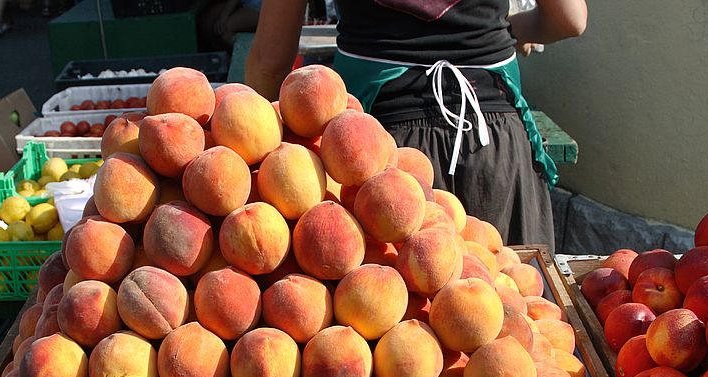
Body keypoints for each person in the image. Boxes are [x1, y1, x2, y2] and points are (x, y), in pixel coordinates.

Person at [245, 0, 587, 249]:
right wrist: (503, 31)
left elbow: (270, 63)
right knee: (512, 316)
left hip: (373, 149)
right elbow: (570, 20)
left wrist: (257, 166)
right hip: (494, 141)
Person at [198, 0, 263, 53]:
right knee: (207, 20)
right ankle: (226, 58)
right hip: (243, 3)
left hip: (261, 6)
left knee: (224, 29)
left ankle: (250, 57)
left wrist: (223, 17)